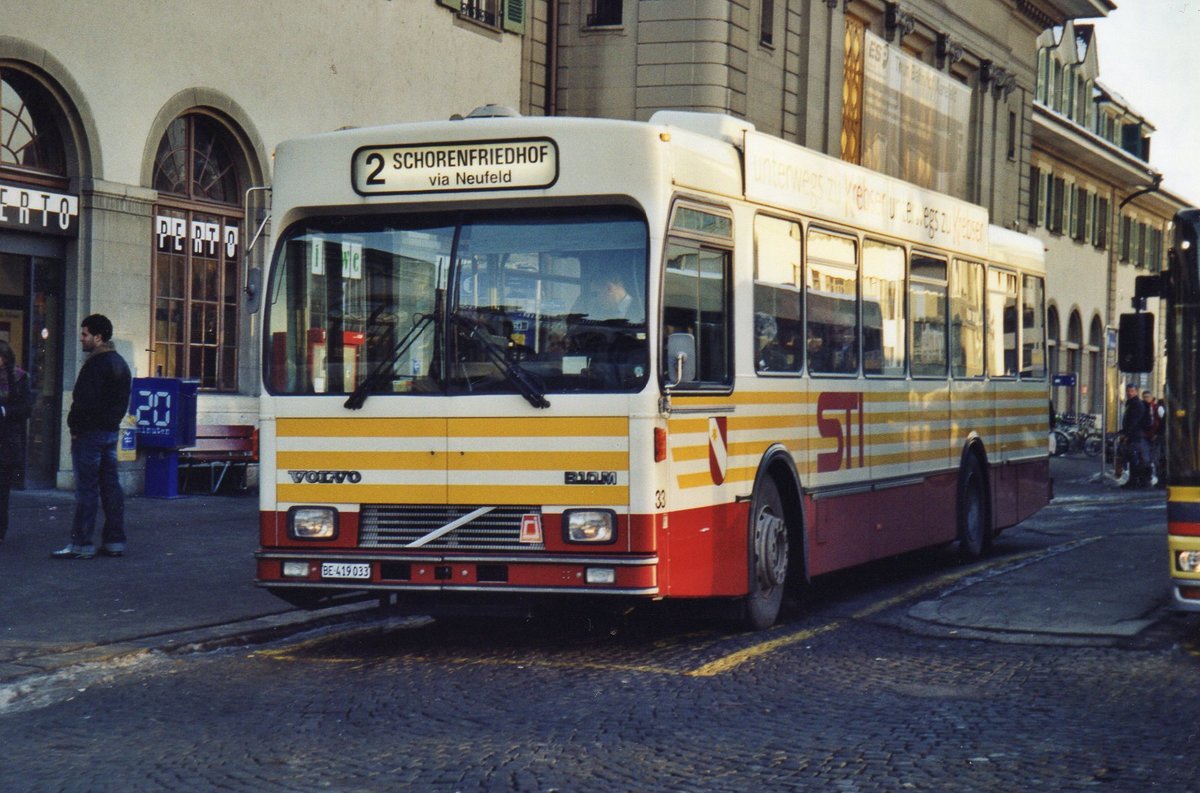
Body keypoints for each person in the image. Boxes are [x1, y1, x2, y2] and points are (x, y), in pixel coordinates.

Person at [52, 314, 132, 559]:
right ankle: (114, 541)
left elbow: (84, 402)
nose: (81, 339)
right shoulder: (119, 362)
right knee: (111, 487)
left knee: (86, 490)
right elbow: (120, 402)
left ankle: (82, 543)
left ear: (98, 337)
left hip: (89, 434)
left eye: (85, 334)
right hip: (109, 432)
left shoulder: (95, 365)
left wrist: (75, 429)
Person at [0, 340, 33, 546]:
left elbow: (26, 409)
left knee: (2, 492)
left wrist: (4, 412)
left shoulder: (19, 378)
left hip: (7, 441)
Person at [1120, 383, 1151, 489]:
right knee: (1134, 458)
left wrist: (1126, 434)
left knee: (1136, 458)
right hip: (1135, 435)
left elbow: (1133, 421)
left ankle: (1138, 481)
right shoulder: (1131, 403)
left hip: (1136, 435)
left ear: (1136, 391)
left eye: (1132, 391)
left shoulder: (1136, 404)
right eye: (1128, 391)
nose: (1129, 393)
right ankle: (1137, 480)